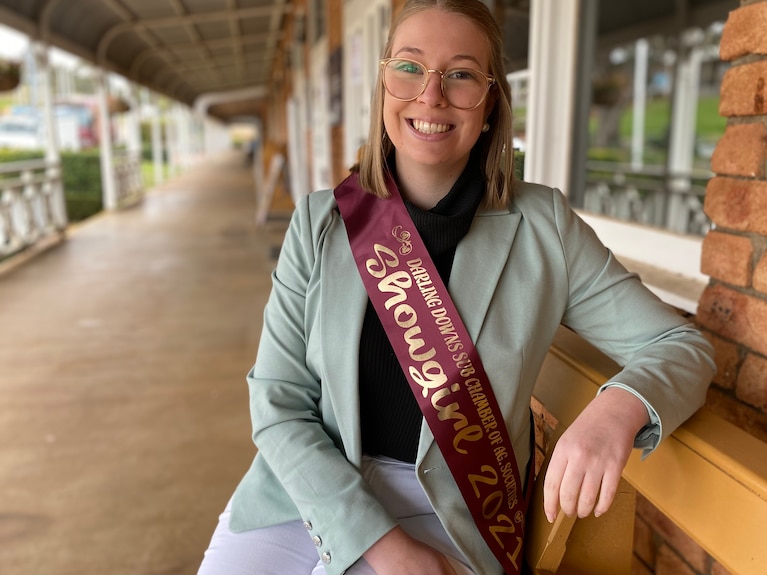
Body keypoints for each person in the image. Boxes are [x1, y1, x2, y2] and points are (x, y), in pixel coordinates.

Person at [197, 1, 716, 574]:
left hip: (448, 511)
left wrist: (619, 409)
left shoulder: (544, 228)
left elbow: (681, 345)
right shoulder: (320, 222)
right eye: (411, 67)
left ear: (491, 103)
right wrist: (378, 543)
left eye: (462, 74)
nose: (432, 95)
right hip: (304, 488)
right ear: (385, 83)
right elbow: (277, 403)